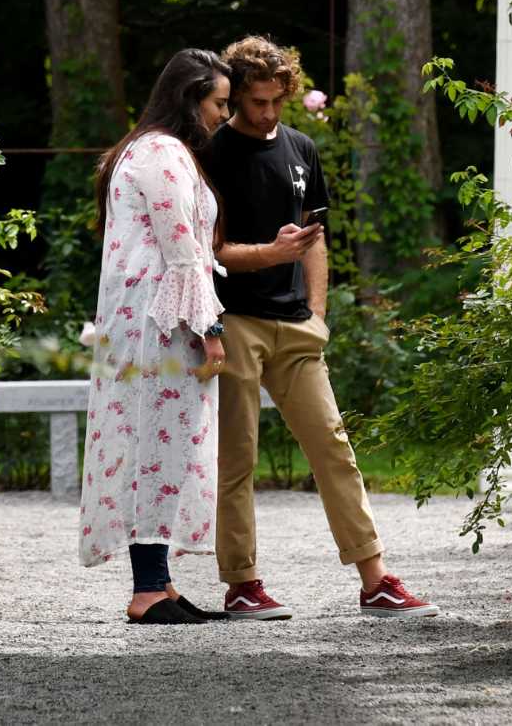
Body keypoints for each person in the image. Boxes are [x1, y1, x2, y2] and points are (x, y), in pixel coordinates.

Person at [205, 35, 438, 620]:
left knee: (334, 449)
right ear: (235, 96)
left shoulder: (302, 148)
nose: (268, 114)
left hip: (295, 328)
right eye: (258, 102)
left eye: (278, 102)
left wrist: (318, 313)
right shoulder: (210, 155)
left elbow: (313, 238)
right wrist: (268, 254)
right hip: (234, 322)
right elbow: (209, 251)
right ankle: (241, 584)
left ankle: (375, 580)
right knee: (237, 459)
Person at [78, 48, 234, 624]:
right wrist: (211, 328)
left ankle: (160, 584)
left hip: (149, 319)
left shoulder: (145, 151)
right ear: (191, 98)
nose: (223, 114)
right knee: (155, 445)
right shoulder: (162, 154)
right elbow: (183, 251)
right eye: (218, 102)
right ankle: (147, 588)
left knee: (160, 446)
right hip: (159, 323)